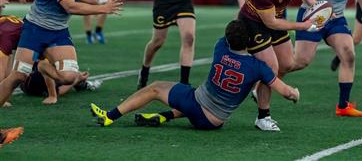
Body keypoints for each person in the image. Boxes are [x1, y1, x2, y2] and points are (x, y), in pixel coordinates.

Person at [90, 20, 300, 129]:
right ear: (250, 42)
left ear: (228, 39)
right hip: (216, 120)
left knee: (155, 87)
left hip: (198, 105)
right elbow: (285, 91)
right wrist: (295, 93)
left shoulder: (220, 47)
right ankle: (163, 117)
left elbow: (231, 35)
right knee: (190, 98)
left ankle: (110, 116)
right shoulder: (258, 67)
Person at [0, 0, 125, 107]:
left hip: (58, 31)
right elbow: (70, 6)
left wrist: (100, 1)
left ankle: (44, 67)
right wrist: (104, 8)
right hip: (35, 29)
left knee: (69, 77)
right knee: (18, 76)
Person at [238, 0, 317, 131]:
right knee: (270, 67)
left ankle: (259, 88)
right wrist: (303, 26)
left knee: (288, 64)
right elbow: (272, 23)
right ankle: (263, 117)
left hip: (275, 18)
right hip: (253, 23)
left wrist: (315, 7)